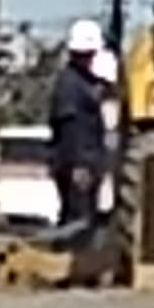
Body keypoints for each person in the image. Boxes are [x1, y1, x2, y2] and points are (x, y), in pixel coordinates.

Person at [47, 17, 114, 239]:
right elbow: (70, 130)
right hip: (78, 164)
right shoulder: (69, 85)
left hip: (87, 162)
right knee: (78, 223)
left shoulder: (84, 82)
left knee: (85, 221)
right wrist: (79, 165)